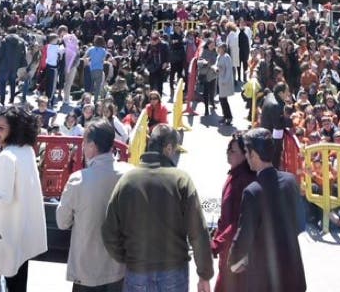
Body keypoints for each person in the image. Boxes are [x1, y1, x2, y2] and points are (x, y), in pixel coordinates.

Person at [102, 124, 213, 292]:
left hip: (137, 270)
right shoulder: (181, 180)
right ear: (168, 148)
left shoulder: (127, 180)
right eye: (175, 149)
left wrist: (127, 257)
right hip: (173, 272)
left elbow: (109, 231)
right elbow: (198, 232)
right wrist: (204, 274)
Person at [0, 106, 47, 292]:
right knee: (17, 281)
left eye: (1, 128)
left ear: (14, 130)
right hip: (18, 230)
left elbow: (3, 199)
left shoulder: (7, 157)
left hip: (1, 232)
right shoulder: (27, 151)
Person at [56, 119, 132, 292]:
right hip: (119, 266)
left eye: (84, 142)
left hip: (86, 269)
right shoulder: (130, 174)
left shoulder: (78, 179)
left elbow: (62, 222)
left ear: (92, 145)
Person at [229, 127, 306, 292]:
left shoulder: (253, 191)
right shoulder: (290, 181)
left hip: (265, 277)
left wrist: (234, 261)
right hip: (293, 271)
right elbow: (300, 224)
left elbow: (244, 234)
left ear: (254, 155)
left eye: (247, 152)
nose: (246, 157)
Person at [211, 133, 256, 292]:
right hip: (228, 248)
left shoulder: (244, 180)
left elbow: (238, 221)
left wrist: (216, 244)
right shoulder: (234, 174)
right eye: (228, 150)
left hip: (236, 252)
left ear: (246, 155)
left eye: (233, 151)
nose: (228, 153)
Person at [215, 41, 236, 126]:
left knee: (223, 100)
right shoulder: (219, 56)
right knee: (222, 100)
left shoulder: (227, 57)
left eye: (220, 48)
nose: (218, 49)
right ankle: (225, 116)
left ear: (223, 49)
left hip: (224, 81)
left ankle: (229, 117)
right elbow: (217, 65)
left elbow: (229, 71)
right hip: (219, 80)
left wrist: (225, 81)